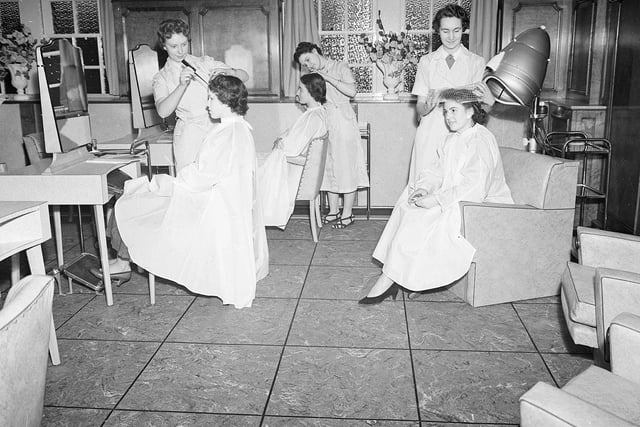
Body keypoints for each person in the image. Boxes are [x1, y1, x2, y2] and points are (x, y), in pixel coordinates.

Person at [99, 74, 268, 309]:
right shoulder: (240, 129)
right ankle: (123, 257)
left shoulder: (226, 134)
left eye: (211, 99)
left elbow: (201, 178)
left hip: (214, 206)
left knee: (137, 198)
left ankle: (122, 259)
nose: (207, 104)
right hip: (225, 204)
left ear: (226, 100)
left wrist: (165, 182)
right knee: (142, 193)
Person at [358, 88, 513, 304]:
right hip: (455, 198)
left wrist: (439, 200)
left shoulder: (480, 139)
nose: (448, 117)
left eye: (453, 110)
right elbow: (435, 171)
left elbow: (475, 186)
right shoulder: (450, 139)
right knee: (407, 205)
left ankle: (390, 279)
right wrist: (424, 188)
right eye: (445, 112)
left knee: (422, 217)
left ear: (470, 111)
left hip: (479, 205)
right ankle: (403, 275)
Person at [410, 4, 495, 184]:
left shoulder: (476, 62)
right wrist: (428, 105)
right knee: (425, 184)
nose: (450, 37)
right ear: (438, 31)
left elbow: (479, 103)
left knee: (456, 186)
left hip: (462, 132)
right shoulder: (426, 62)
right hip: (431, 130)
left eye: (456, 31)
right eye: (445, 31)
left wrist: (442, 94)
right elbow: (420, 106)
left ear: (463, 29)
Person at [152, 18, 249, 171]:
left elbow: (244, 76)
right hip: (190, 134)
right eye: (174, 46)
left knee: (220, 175)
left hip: (216, 127)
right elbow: (163, 111)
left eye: (184, 44)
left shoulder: (204, 62)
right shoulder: (161, 77)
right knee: (190, 179)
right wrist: (181, 86)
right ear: (164, 46)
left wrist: (230, 72)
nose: (180, 51)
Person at [294, 42, 369, 229]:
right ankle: (334, 210)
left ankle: (347, 213)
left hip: (343, 120)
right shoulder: (310, 76)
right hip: (324, 120)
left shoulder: (339, 67)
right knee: (328, 167)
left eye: (309, 60)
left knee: (345, 167)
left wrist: (326, 77)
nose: (308, 66)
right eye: (305, 64)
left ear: (315, 51)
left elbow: (352, 91)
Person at [258, 73, 328, 228]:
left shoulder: (313, 117)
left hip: (296, 171)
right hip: (298, 165)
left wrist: (279, 143)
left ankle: (248, 220)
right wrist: (281, 141)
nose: (297, 93)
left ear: (311, 91)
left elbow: (290, 149)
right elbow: (290, 136)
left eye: (300, 89)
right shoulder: (316, 113)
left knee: (250, 168)